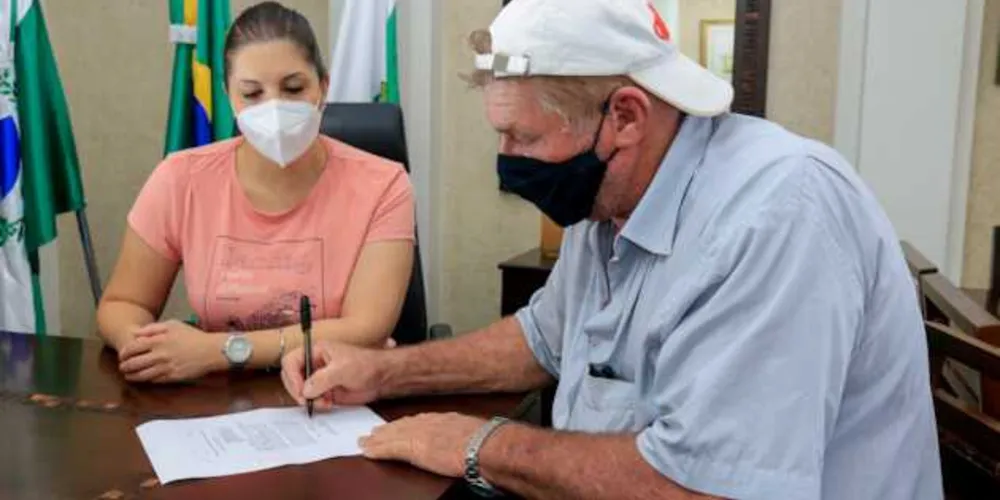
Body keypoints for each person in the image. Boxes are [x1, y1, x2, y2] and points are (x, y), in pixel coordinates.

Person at [282, 0, 943, 498]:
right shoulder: (609, 197)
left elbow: (707, 488)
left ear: (625, 115)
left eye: (524, 139)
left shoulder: (776, 214)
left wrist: (480, 444)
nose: (507, 162)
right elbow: (545, 340)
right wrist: (384, 371)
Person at [97, 1, 415, 384]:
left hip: (334, 393)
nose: (275, 107)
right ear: (229, 94)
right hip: (218, 402)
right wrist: (142, 344)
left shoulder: (384, 184)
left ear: (323, 87)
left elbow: (367, 329)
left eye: (293, 88)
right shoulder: (181, 178)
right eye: (252, 93)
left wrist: (219, 352)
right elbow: (123, 303)